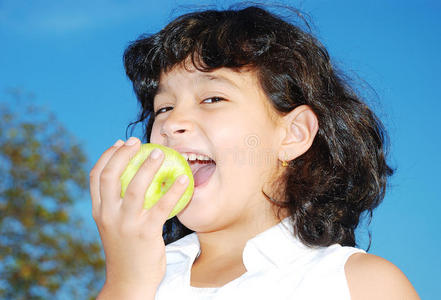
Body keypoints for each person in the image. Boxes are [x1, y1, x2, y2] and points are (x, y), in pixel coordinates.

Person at [89, 5, 420, 300]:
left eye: (212, 99)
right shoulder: (142, 279)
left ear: (294, 133)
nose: (172, 122)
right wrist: (126, 284)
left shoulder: (360, 284)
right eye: (164, 107)